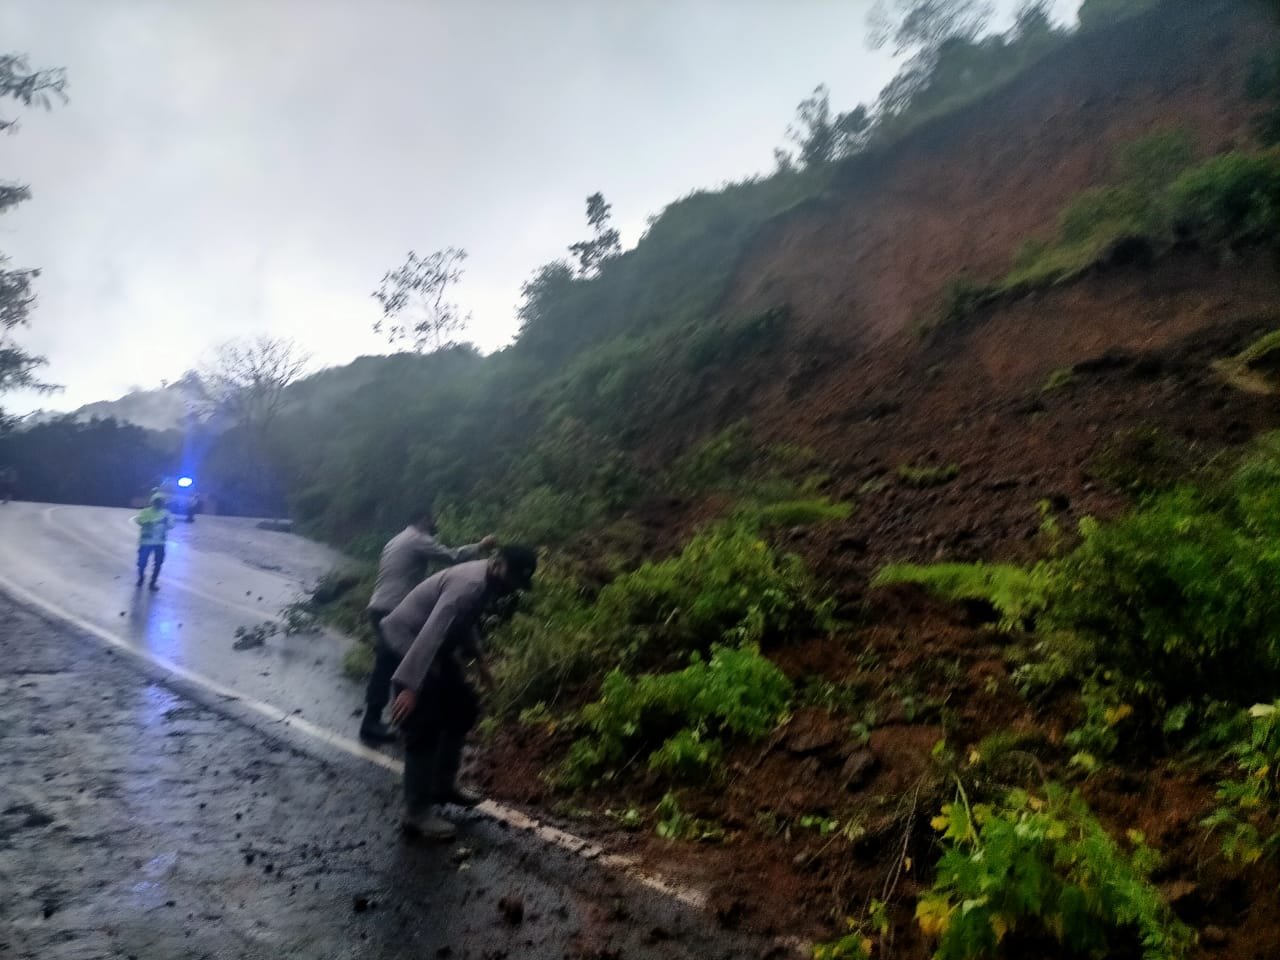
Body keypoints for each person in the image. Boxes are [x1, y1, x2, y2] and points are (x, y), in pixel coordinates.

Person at [382, 545, 537, 840]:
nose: (511, 587)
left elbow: (464, 623)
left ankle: (443, 784)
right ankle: (415, 813)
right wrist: (411, 686)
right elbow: (434, 629)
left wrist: (480, 660)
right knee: (423, 720)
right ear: (498, 564)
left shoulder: (487, 582)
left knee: (462, 705)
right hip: (409, 639)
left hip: (433, 646)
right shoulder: (469, 585)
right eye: (512, 579)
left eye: (518, 583)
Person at [359, 510, 497, 743]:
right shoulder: (418, 539)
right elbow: (453, 556)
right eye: (433, 519)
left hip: (379, 605)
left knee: (390, 664)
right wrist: (481, 546)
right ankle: (383, 723)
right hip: (395, 608)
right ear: (424, 519)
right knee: (401, 664)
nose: (436, 524)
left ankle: (389, 721)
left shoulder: (397, 539)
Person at [133, 492, 172, 589]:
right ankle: (141, 578)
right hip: (146, 541)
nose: (159, 503)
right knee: (142, 562)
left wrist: (167, 523)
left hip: (160, 543)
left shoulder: (166, 513)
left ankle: (153, 582)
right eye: (157, 501)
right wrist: (155, 522)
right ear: (153, 502)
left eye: (161, 501)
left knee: (158, 563)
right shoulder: (145, 512)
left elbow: (172, 525)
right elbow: (140, 521)